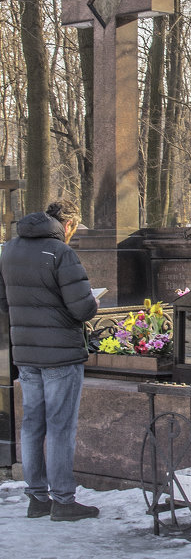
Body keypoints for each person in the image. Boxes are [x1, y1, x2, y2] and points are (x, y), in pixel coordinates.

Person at [0, 199, 100, 521]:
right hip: (61, 355)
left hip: (25, 353)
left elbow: (4, 302)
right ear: (68, 225)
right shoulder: (61, 253)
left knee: (32, 424)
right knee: (60, 428)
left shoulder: (9, 250)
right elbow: (83, 309)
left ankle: (37, 498)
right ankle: (63, 501)